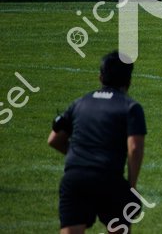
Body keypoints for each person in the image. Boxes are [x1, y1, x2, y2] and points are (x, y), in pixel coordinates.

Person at [48, 51, 146, 233]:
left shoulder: (79, 103)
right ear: (129, 80)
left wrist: (80, 156)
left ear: (100, 77)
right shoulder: (131, 107)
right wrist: (131, 187)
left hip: (75, 179)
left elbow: (53, 140)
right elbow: (134, 148)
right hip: (108, 178)